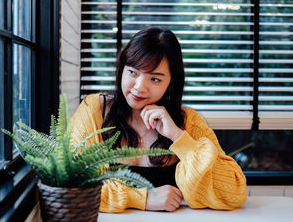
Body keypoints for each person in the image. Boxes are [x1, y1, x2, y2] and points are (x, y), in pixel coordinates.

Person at [71, 27, 247, 213]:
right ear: (121, 68)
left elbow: (234, 193)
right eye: (133, 72)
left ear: (170, 82)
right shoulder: (94, 110)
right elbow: (70, 185)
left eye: (155, 79)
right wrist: (143, 198)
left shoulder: (188, 122)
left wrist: (179, 137)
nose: (139, 87)